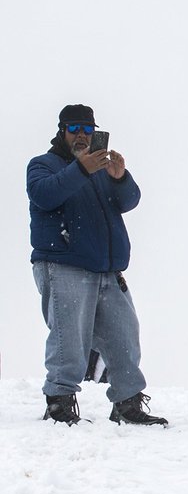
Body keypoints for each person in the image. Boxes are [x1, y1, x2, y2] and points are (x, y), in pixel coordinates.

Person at [26, 104, 167, 426]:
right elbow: (43, 195)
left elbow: (128, 201)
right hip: (64, 264)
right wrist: (81, 170)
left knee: (124, 337)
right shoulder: (43, 165)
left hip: (107, 268)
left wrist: (120, 178)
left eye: (88, 130)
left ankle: (127, 403)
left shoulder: (101, 170)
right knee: (68, 338)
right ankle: (59, 403)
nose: (82, 135)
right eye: (74, 129)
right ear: (62, 131)